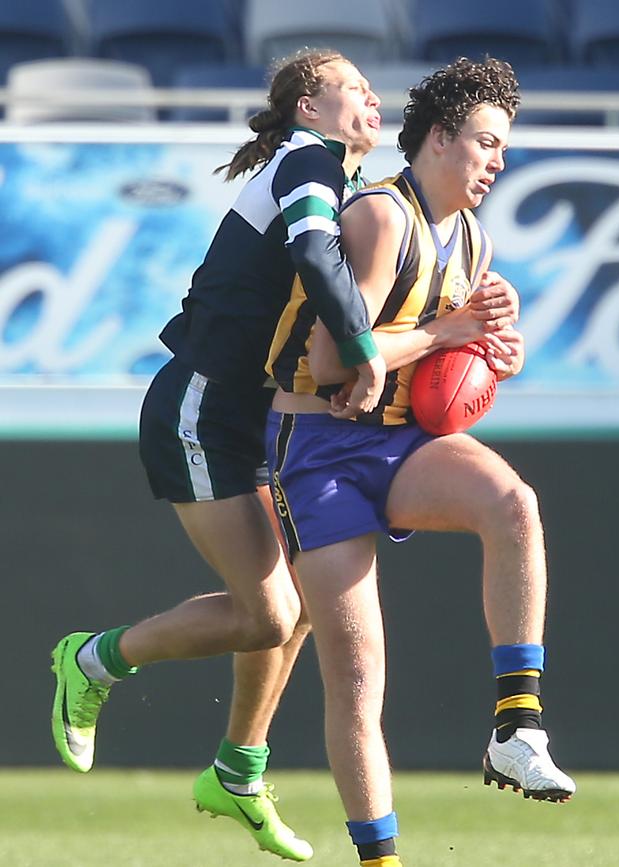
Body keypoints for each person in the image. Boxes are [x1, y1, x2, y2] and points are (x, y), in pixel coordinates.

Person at [50, 49, 387, 863]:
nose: (373, 99)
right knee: (270, 612)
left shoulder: (334, 176)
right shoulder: (309, 159)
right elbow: (312, 252)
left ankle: (238, 769)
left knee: (297, 602)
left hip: (248, 418)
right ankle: (92, 660)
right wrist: (365, 348)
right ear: (309, 106)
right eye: (354, 88)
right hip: (201, 409)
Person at [265, 57, 576, 867]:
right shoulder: (382, 219)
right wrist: (455, 331)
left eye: (502, 146)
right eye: (485, 142)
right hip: (321, 450)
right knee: (359, 678)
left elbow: (443, 382)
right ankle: (381, 861)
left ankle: (518, 723)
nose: (497, 161)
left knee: (512, 503)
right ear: (438, 139)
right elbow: (337, 365)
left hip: (401, 440)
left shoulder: (474, 235)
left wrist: (493, 353)